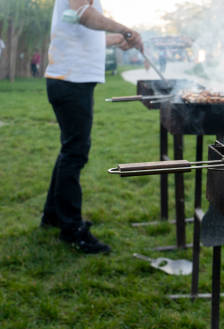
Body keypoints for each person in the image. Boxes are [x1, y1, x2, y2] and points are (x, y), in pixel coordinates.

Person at [41, 0, 143, 254]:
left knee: (71, 149)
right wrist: (127, 29)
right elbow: (84, 15)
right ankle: (72, 228)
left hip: (71, 79)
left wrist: (118, 37)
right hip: (71, 80)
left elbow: (81, 28)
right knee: (75, 153)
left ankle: (53, 215)